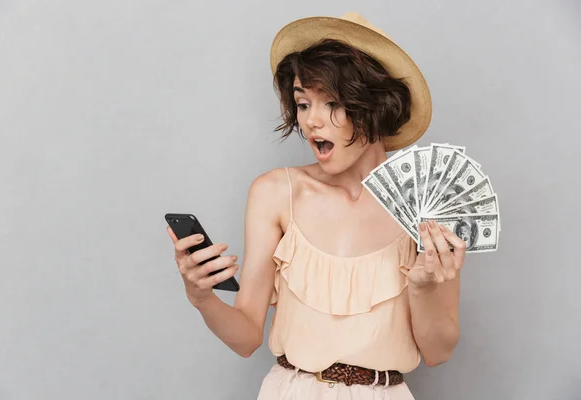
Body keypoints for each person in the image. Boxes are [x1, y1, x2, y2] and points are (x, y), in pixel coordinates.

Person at [166, 12, 466, 399]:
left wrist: (424, 288)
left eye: (333, 104)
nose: (312, 122)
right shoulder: (275, 193)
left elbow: (439, 352)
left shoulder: (427, 206)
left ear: (376, 107)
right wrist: (201, 297)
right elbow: (244, 338)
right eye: (303, 104)